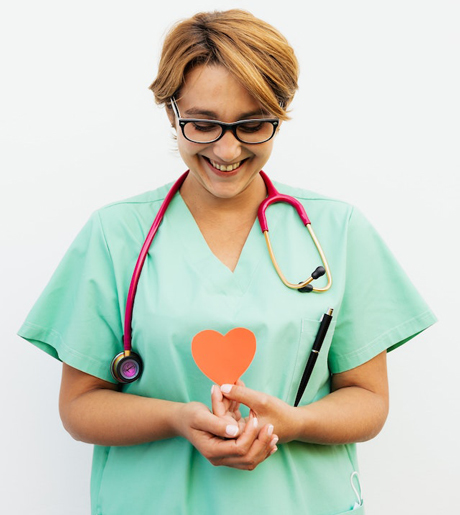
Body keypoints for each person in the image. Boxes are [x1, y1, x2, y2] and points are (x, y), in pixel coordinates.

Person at [18, 9, 436, 515]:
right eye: (203, 124)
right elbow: (80, 407)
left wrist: (295, 422)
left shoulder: (337, 231)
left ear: (279, 115)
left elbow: (369, 401)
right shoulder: (114, 235)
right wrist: (177, 419)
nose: (228, 148)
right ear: (172, 113)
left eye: (252, 124)